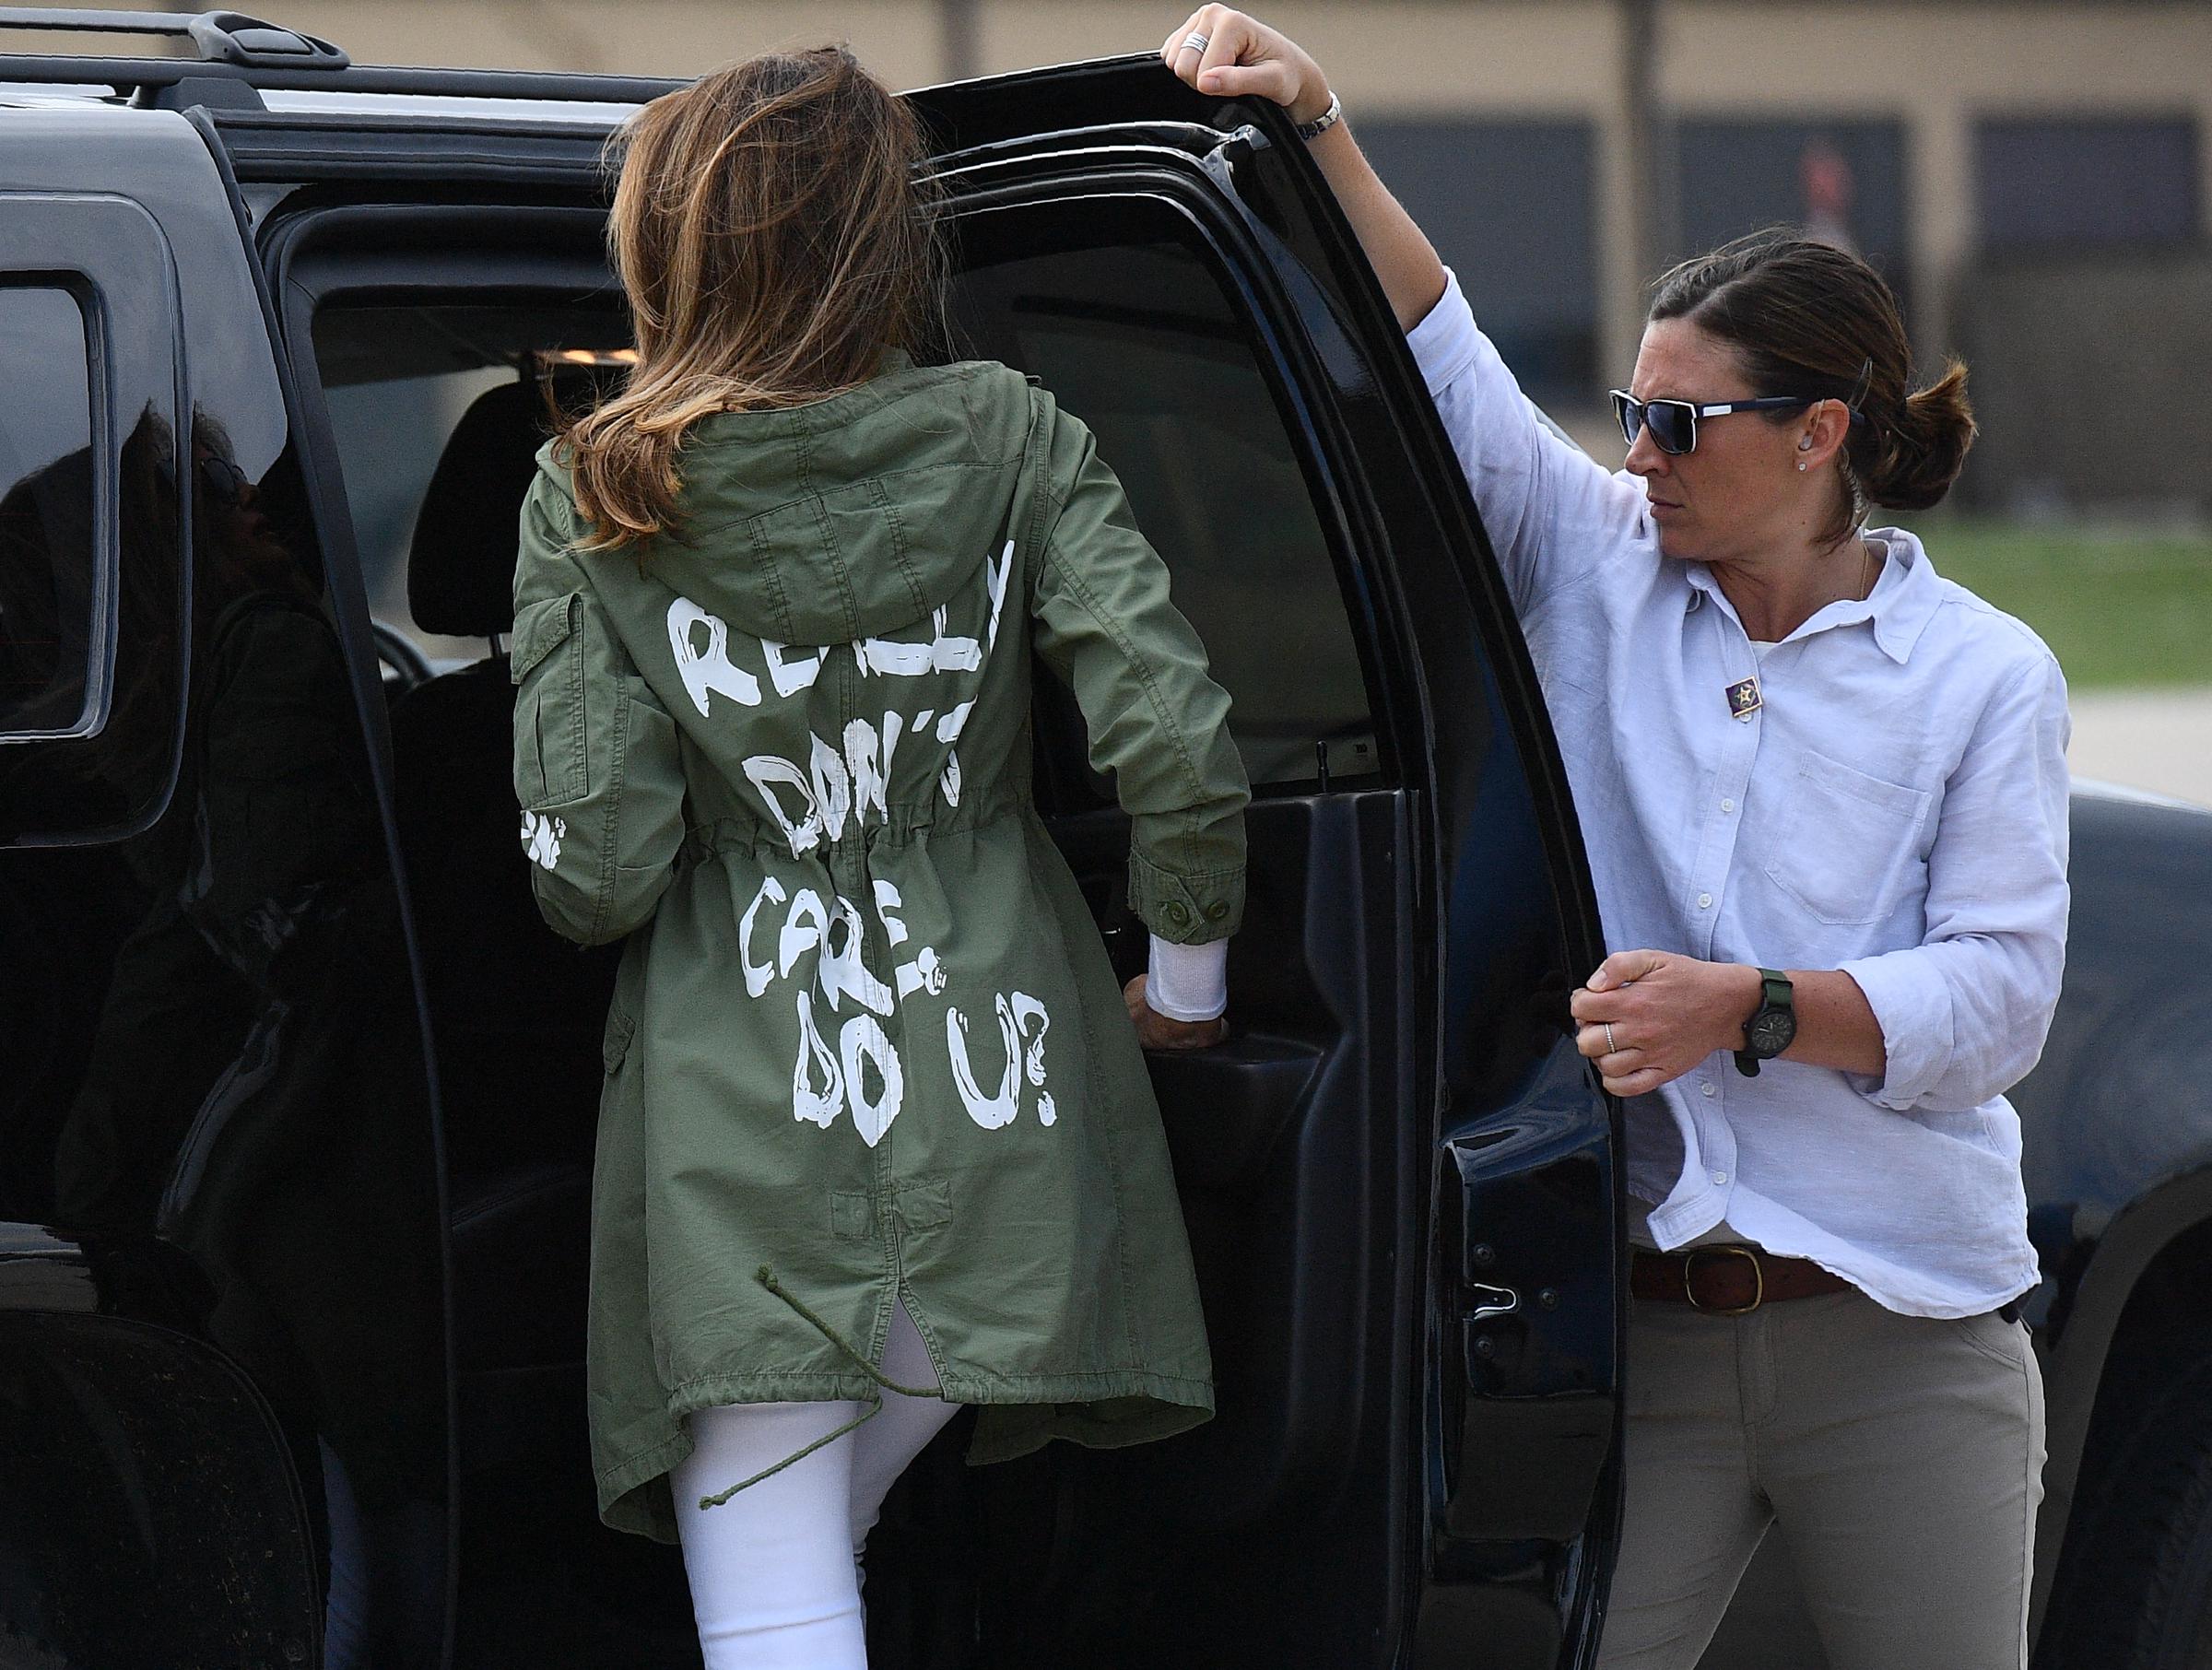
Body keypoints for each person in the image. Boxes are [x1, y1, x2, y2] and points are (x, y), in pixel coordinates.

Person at [1161, 12, 2067, 1669]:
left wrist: (1744, 1008)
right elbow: (1445, 357)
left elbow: (2000, 1003)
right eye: (1631, 412)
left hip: (1906, 1335)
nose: (1636, 455)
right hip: (1639, 1337)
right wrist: (1323, 125)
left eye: (1680, 425)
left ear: (1819, 435)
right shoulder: (1597, 560)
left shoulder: (1984, 675)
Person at [509, 48, 1249, 1670]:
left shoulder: (597, 487)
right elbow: (1182, 753)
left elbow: (600, 873)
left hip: (750, 1134)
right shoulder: (1012, 432)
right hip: (1008, 1101)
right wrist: (1183, 987)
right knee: (809, 1559)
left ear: (676, 244)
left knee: (772, 1592)